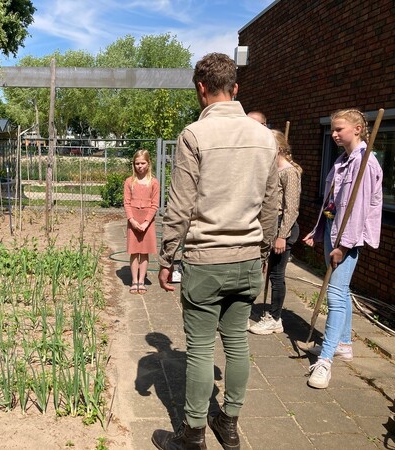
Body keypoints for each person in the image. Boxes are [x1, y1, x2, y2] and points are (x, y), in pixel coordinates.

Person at [152, 53, 278, 450]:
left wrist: (168, 257)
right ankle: (230, 423)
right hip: (246, 260)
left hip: (206, 259)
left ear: (201, 88)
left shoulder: (194, 136)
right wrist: (261, 251)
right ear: (235, 88)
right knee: (238, 343)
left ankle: (192, 435)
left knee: (201, 349)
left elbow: (181, 205)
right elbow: (272, 204)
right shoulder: (265, 138)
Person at [302, 109, 383, 389]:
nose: (334, 134)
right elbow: (331, 203)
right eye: (333, 129)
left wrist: (344, 246)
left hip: (346, 241)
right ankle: (343, 344)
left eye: (339, 129)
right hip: (333, 234)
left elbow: (359, 211)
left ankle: (325, 361)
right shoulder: (342, 162)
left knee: (335, 296)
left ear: (358, 129)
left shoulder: (366, 163)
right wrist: (318, 231)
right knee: (342, 291)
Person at [249, 130, 302, 335]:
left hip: (283, 227)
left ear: (278, 148)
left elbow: (291, 208)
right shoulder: (272, 170)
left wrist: (282, 235)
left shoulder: (290, 172)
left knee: (276, 276)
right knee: (265, 271)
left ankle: (275, 318)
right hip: (269, 224)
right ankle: (265, 312)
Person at [123, 149, 160, 294]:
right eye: (137, 163)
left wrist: (146, 222)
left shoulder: (154, 182)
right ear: (134, 164)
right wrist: (131, 220)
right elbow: (126, 202)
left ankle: (141, 281)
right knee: (134, 252)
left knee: (144, 252)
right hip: (133, 220)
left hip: (147, 222)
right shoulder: (129, 182)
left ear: (148, 163)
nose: (140, 166)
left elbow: (155, 204)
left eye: (143, 163)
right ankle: (133, 281)